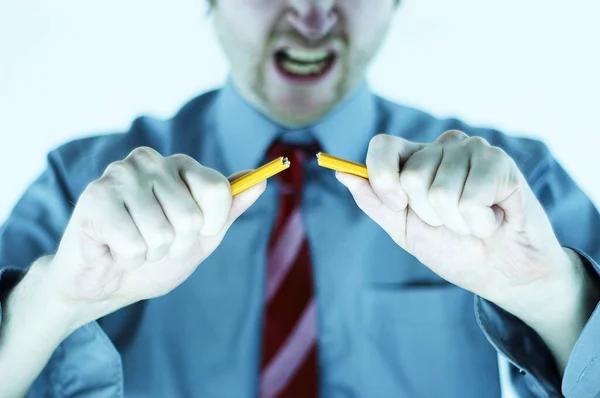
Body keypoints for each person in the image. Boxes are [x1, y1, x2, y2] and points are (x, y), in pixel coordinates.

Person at [1, 0, 599, 396]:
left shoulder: (517, 193)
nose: (313, 17)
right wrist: (55, 301)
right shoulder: (76, 190)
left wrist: (548, 295)